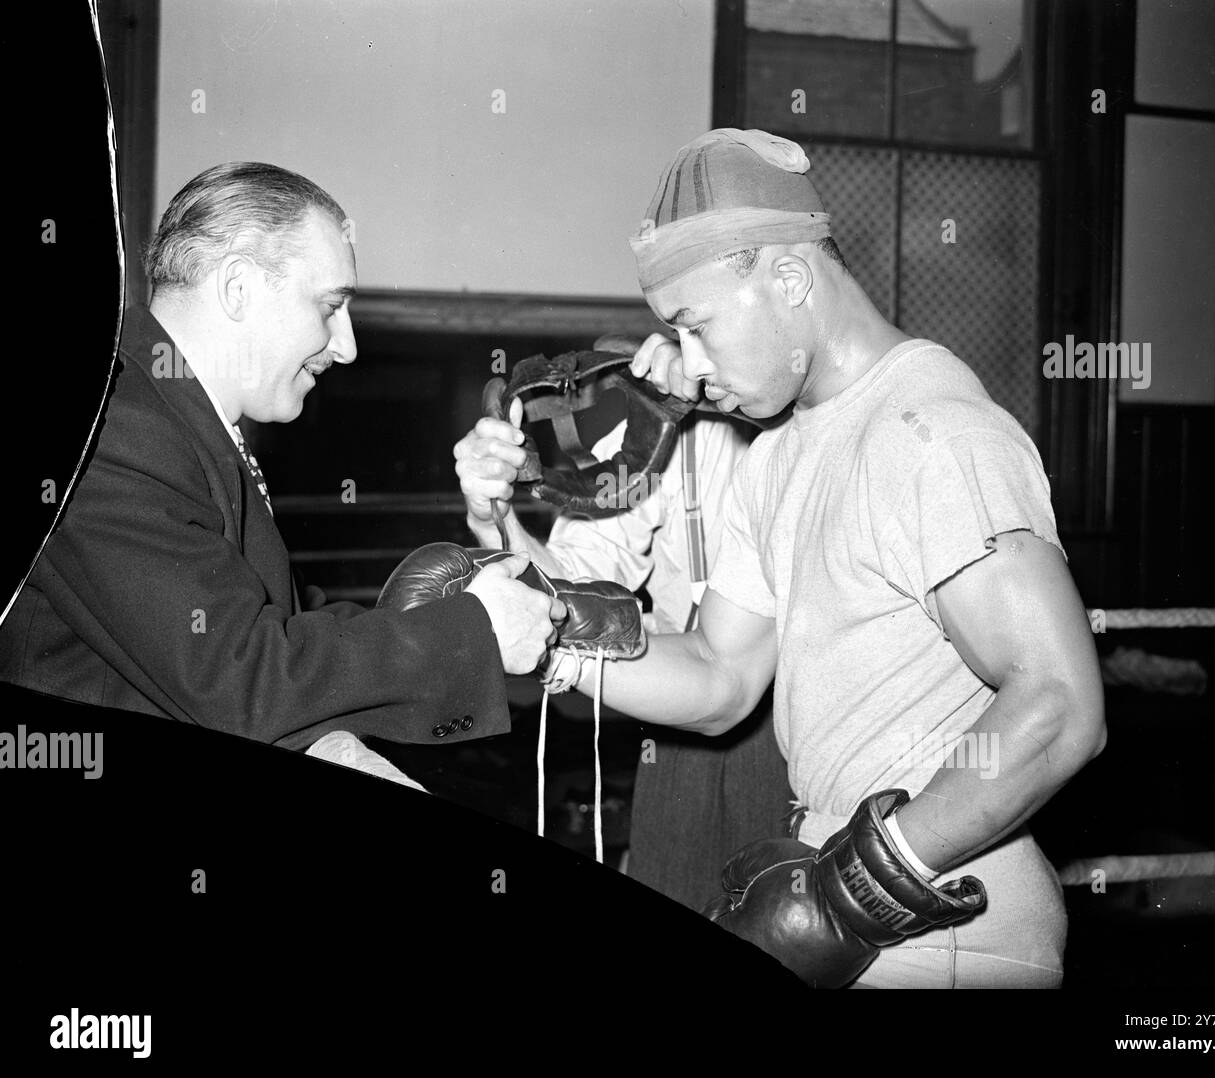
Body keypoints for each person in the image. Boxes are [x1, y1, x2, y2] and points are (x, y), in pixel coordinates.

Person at [539, 129, 1107, 987]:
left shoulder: (931, 432)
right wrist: (553, 628)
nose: (688, 373)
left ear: (793, 279)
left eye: (697, 329)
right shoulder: (780, 452)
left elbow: (1061, 703)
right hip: (843, 880)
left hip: (942, 919)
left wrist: (859, 890)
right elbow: (719, 676)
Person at [0, 162, 562, 751]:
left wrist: (458, 605)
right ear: (238, 287)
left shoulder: (173, 416)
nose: (345, 348)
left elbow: (285, 624)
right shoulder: (109, 426)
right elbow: (239, 682)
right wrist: (473, 632)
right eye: (329, 307)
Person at [454, 375, 793, 910]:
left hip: (812, 726)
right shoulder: (657, 433)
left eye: (698, 324)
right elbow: (567, 591)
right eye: (675, 328)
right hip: (689, 721)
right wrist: (493, 518)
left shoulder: (825, 433)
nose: (679, 350)